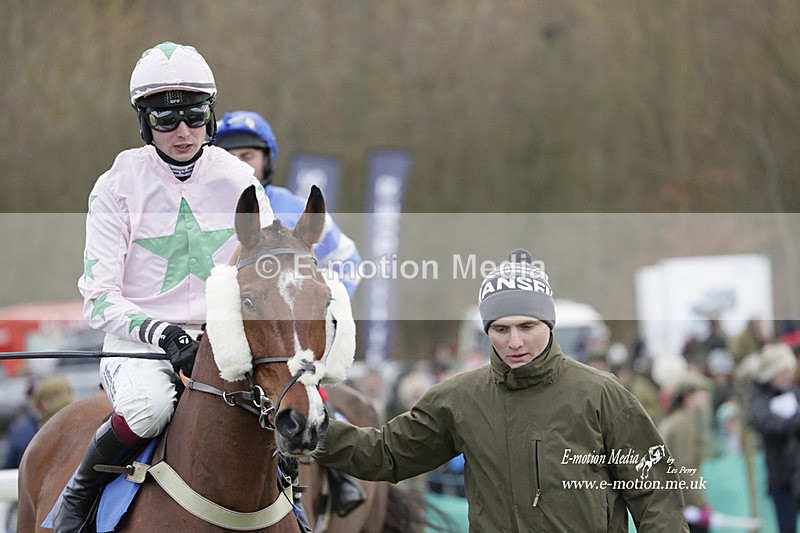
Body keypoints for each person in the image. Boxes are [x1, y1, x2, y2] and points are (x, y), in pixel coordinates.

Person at [54, 41, 273, 531]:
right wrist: (166, 336)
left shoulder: (240, 179)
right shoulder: (115, 185)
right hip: (141, 343)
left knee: (293, 405)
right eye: (164, 119)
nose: (182, 131)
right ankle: (78, 494)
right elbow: (100, 298)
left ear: (211, 116)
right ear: (143, 121)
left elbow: (269, 269)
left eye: (195, 117)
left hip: (226, 339)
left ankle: (296, 501)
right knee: (151, 409)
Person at [314, 248, 689, 532]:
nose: (514, 341)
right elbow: (386, 454)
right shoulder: (458, 399)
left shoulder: (602, 394)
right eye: (501, 329)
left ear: (548, 322)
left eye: (527, 326)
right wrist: (313, 431)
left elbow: (655, 494)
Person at [213, 110, 361, 297]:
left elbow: (346, 260)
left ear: (266, 159)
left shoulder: (298, 209)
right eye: (229, 157)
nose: (239, 165)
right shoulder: (195, 209)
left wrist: (327, 310)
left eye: (247, 156)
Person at [748, 342, 800, 533]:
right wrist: (794, 421)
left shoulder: (793, 393)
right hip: (782, 479)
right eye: (782, 371)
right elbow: (768, 425)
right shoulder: (760, 398)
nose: (787, 376)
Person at [659, 371, 714, 533]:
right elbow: (685, 467)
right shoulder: (684, 423)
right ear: (688, 396)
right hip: (685, 507)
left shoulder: (673, 420)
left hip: (673, 503)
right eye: (702, 393)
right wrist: (701, 504)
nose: (706, 397)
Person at [3, 376, 75, 469]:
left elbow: (8, 468)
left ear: (42, 403)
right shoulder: (86, 426)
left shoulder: (21, 432)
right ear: (71, 394)